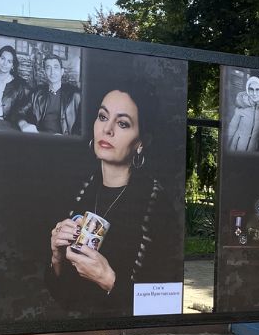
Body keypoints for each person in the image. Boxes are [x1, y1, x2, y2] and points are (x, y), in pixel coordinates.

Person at [46, 87, 180, 315]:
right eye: (102, 117)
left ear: (141, 142)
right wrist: (56, 257)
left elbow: (165, 305)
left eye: (123, 123)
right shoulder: (77, 191)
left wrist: (108, 279)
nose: (107, 129)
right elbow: (62, 296)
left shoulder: (157, 207)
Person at [18, 54, 80, 135]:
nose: (52, 72)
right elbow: (19, 112)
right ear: (44, 72)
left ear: (62, 71)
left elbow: (83, 127)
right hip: (39, 137)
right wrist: (23, 124)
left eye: (55, 67)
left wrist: (67, 138)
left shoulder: (75, 95)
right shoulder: (36, 93)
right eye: (48, 68)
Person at [226, 73, 259, 151]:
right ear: (247, 90)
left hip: (252, 151)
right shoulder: (242, 106)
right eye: (251, 89)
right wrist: (225, 145)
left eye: (257, 89)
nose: (254, 93)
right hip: (236, 149)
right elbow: (232, 128)